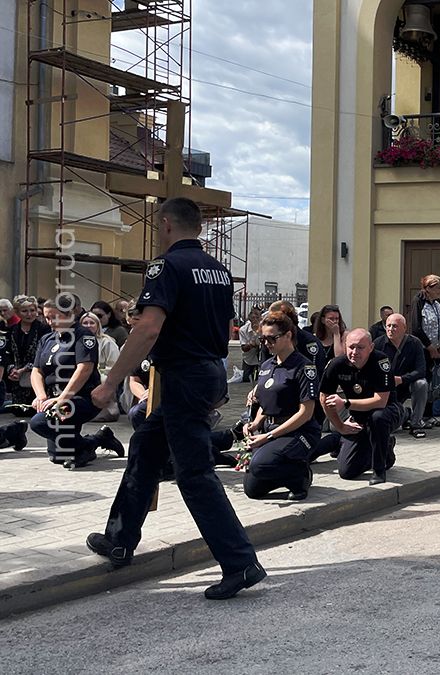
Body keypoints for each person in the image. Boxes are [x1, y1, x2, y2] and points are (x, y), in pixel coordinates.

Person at [87, 197, 266, 600]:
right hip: (207, 372)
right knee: (146, 450)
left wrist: (108, 382)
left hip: (183, 376)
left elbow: (149, 329)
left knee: (194, 473)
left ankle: (240, 563)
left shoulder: (165, 266)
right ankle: (120, 539)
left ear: (166, 224)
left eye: (156, 224)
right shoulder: (219, 271)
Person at [0, 297, 124, 465]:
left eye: (54, 317)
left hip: (79, 400)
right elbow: (37, 371)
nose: (49, 321)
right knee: (58, 456)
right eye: (46, 317)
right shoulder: (47, 339)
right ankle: (97, 440)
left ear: (69, 315)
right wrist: (41, 396)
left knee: (40, 422)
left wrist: (62, 398)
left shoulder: (83, 336)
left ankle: (83, 447)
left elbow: (84, 369)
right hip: (53, 399)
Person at [241, 311, 319, 501]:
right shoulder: (267, 365)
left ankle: (300, 476)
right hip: (272, 429)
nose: (267, 343)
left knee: (260, 465)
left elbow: (306, 413)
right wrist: (254, 425)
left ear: (288, 335)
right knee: (252, 489)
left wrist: (267, 437)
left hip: (299, 432)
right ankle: (284, 474)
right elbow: (265, 404)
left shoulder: (303, 367)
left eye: (272, 338)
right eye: (263, 339)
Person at [312, 328, 399, 485]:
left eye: (360, 347)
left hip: (387, 412)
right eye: (351, 347)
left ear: (371, 347)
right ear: (345, 346)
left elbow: (381, 401)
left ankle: (379, 470)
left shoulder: (381, 362)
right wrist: (340, 426)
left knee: (377, 418)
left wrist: (346, 403)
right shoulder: (336, 365)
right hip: (358, 418)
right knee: (347, 472)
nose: (355, 352)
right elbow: (323, 397)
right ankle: (381, 446)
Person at [373, 312, 429, 438]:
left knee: (422, 384)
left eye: (394, 326)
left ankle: (416, 424)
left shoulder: (415, 343)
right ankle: (405, 414)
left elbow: (421, 370)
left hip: (406, 383)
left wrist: (402, 379)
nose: (390, 329)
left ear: (404, 328)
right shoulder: (378, 344)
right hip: (385, 386)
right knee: (390, 426)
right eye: (388, 326)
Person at [406, 275, 440, 424]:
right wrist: (430, 346)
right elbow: (416, 327)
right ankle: (419, 416)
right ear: (428, 288)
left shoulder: (437, 303)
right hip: (424, 350)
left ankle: (429, 415)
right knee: (423, 382)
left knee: (433, 383)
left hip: (438, 350)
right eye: (438, 287)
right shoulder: (418, 301)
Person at [3, 297, 50, 407]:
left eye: (32, 310)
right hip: (17, 381)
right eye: (25, 311)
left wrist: (24, 369)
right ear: (17, 312)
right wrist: (12, 369)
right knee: (18, 409)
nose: (29, 314)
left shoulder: (44, 329)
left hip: (38, 376)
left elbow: (43, 354)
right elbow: (7, 353)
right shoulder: (12, 330)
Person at [239, 307, 262, 383]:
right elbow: (244, 348)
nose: (255, 319)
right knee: (245, 379)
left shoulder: (265, 328)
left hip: (262, 357)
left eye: (257, 317)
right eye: (253, 317)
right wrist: (252, 342)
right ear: (249, 318)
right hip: (249, 358)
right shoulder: (243, 330)